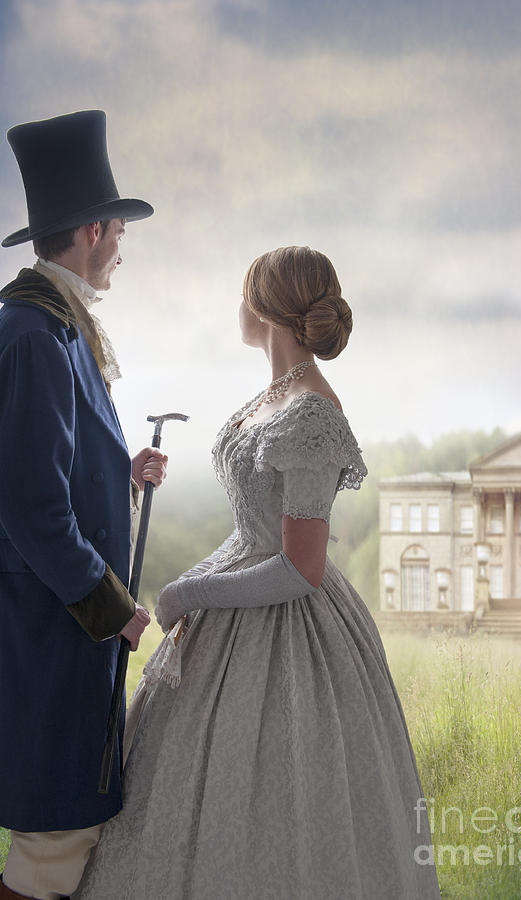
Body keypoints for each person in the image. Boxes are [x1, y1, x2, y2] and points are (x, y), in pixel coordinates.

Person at [76, 246, 441, 899]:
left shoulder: (311, 415)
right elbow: (253, 525)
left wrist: (192, 589)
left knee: (279, 789)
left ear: (268, 307)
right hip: (235, 600)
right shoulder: (275, 396)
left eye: (246, 292)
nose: (238, 306)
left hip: (291, 626)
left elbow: (300, 567)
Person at [0, 110, 168, 900]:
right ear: (95, 230)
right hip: (57, 628)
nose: (122, 253)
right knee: (50, 848)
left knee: (61, 843)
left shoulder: (55, 325)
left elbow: (53, 470)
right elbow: (32, 511)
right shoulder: (34, 334)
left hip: (64, 628)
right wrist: (117, 610)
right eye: (120, 237)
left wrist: (120, 470)